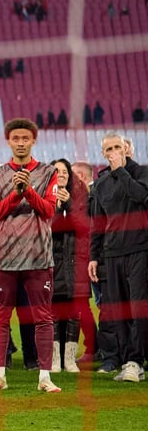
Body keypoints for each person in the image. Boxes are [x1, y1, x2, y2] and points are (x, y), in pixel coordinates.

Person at [0, 118, 60, 393]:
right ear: (9, 141)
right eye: (16, 138)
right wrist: (16, 195)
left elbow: (49, 211)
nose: (21, 143)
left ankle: (45, 377)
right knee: (0, 317)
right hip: (4, 257)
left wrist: (28, 191)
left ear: (33, 140)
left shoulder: (49, 172)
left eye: (25, 138)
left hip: (38, 255)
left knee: (43, 317)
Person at [88, 133, 148, 382]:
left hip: (139, 249)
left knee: (138, 308)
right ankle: (128, 361)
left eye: (117, 147)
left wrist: (122, 171)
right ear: (103, 153)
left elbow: (142, 196)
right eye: (108, 148)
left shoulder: (142, 172)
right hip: (111, 254)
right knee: (118, 311)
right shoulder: (101, 184)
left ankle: (135, 360)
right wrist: (93, 256)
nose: (113, 151)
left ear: (127, 149)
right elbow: (97, 224)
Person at [49, 158, 89, 374]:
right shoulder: (45, 198)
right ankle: (55, 359)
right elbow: (47, 229)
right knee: (53, 312)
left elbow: (85, 226)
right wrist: (56, 207)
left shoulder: (81, 198)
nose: (61, 174)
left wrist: (69, 205)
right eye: (57, 171)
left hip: (76, 262)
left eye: (64, 171)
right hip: (52, 263)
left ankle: (70, 359)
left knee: (74, 312)